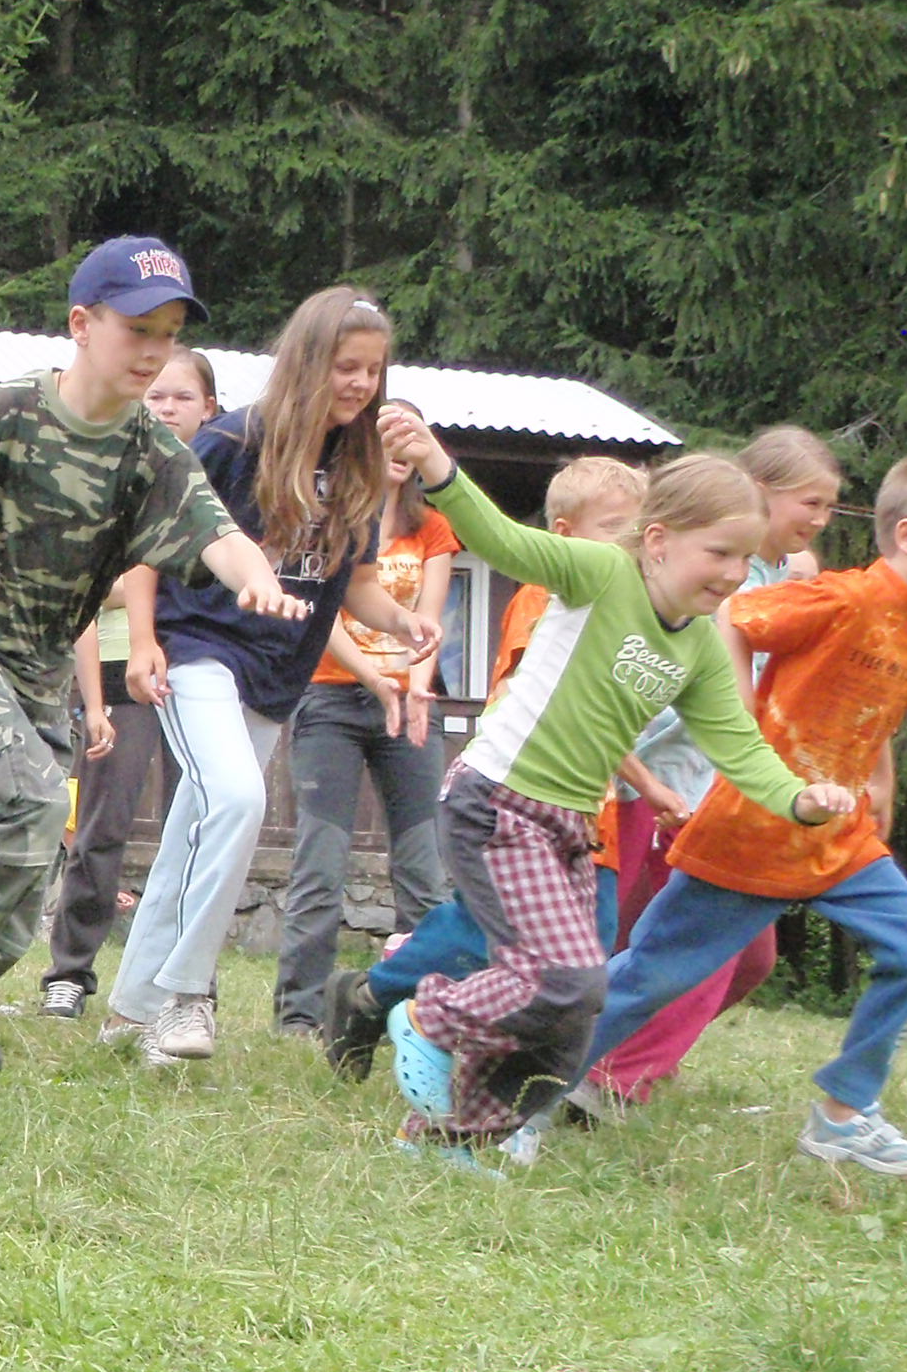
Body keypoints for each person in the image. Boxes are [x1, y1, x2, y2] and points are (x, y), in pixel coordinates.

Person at [0, 237, 296, 1090]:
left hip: (41, 672)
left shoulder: (152, 452)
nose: (154, 350)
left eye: (169, 334)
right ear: (82, 324)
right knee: (32, 803)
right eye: (137, 329)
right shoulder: (11, 412)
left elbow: (217, 532)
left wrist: (257, 579)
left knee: (31, 849)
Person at [374, 406, 855, 1159]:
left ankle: (448, 1139)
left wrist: (799, 798)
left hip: (567, 824)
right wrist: (438, 468)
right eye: (718, 553)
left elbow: (737, 745)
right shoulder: (601, 575)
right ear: (658, 541)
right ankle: (429, 1018)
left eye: (744, 558)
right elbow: (502, 541)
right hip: (498, 802)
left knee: (577, 1004)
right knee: (560, 977)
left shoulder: (701, 645)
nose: (734, 574)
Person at [570, 448, 907, 1175]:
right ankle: (523, 1078)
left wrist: (880, 780)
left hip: (839, 836)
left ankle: (843, 1114)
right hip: (754, 830)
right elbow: (735, 616)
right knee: (651, 977)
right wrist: (737, 716)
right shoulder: (845, 599)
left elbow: (868, 712)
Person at [105, 288, 439, 1065]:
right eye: (345, 366)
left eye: (372, 371)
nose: (359, 383)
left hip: (277, 671)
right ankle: (185, 998)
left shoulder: (357, 460)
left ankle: (128, 1010)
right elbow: (151, 541)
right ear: (307, 359)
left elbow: (351, 582)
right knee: (237, 800)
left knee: (196, 829)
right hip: (197, 649)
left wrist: (400, 621)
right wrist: (144, 640)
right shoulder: (232, 440)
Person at [320, 456, 648, 1081]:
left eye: (639, 530)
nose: (629, 544)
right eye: (615, 528)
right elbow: (548, 699)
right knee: (483, 931)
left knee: (589, 940)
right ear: (564, 533)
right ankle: (377, 999)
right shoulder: (548, 595)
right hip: (519, 797)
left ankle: (497, 1059)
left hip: (591, 813)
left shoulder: (633, 604)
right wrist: (649, 780)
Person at [585, 424, 843, 1105]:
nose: (820, 519)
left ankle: (620, 1057)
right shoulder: (718, 585)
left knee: (737, 954)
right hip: (657, 784)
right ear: (757, 493)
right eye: (809, 502)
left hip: (711, 788)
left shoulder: (777, 579)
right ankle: (602, 1071)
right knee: (683, 944)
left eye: (829, 506)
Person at [270, 397, 457, 1034]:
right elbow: (318, 613)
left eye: (409, 440)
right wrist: (373, 678)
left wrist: (416, 690)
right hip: (330, 698)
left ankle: (427, 1012)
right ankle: (300, 1015)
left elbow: (427, 621)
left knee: (423, 869)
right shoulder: (334, 521)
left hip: (408, 704)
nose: (397, 454)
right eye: (385, 439)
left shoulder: (433, 530)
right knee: (320, 864)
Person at [41, 348, 218, 1018]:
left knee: (199, 828)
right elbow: (88, 586)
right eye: (156, 396)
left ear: (210, 409)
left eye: (183, 397)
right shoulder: (119, 474)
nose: (168, 408)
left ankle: (190, 985)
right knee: (101, 825)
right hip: (118, 672)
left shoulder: (221, 484)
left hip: (202, 667)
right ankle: (68, 972)